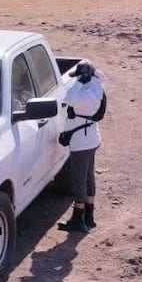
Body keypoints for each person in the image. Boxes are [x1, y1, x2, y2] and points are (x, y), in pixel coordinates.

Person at [57, 60, 107, 233]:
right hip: (92, 137)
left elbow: (68, 96)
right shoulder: (97, 89)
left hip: (81, 141)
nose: (76, 79)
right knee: (88, 177)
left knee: (79, 179)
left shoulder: (84, 94)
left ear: (85, 77)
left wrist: (79, 81)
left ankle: (78, 219)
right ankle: (89, 216)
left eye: (79, 76)